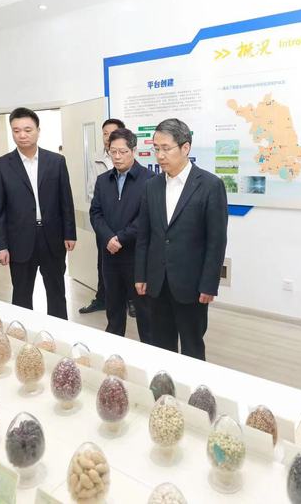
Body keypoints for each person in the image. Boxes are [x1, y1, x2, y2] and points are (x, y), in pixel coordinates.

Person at [134, 118, 228, 360]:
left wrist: (209, 284)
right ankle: (165, 384)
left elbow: (216, 241)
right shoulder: (151, 186)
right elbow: (144, 235)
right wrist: (141, 275)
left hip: (191, 285)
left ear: (185, 147)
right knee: (161, 345)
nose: (160, 155)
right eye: (156, 149)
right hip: (157, 282)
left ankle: (194, 386)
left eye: (166, 148)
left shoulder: (210, 185)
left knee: (192, 347)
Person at [0, 107, 76, 319]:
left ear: (38, 130)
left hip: (52, 238)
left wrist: (70, 233)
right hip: (19, 240)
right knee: (21, 295)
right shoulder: (0, 166)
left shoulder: (56, 161)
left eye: (27, 130)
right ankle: (22, 333)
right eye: (16, 130)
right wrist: (0, 246)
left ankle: (59, 332)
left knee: (57, 292)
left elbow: (66, 200)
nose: (22, 135)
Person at [90, 128, 153, 342]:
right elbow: (95, 213)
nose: (117, 157)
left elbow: (146, 218)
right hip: (110, 256)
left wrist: (121, 238)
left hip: (137, 258)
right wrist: (108, 237)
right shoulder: (103, 180)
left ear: (134, 150)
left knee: (145, 314)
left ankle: (148, 353)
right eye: (113, 151)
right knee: (114, 311)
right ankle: (114, 352)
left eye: (123, 152)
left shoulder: (150, 180)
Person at [80, 118, 127, 315]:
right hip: (104, 225)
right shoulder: (96, 158)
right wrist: (105, 229)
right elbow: (92, 191)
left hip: (126, 224)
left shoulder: (129, 157)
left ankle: (131, 300)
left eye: (112, 133)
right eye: (105, 133)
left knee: (130, 264)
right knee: (103, 263)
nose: (108, 137)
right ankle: (102, 299)